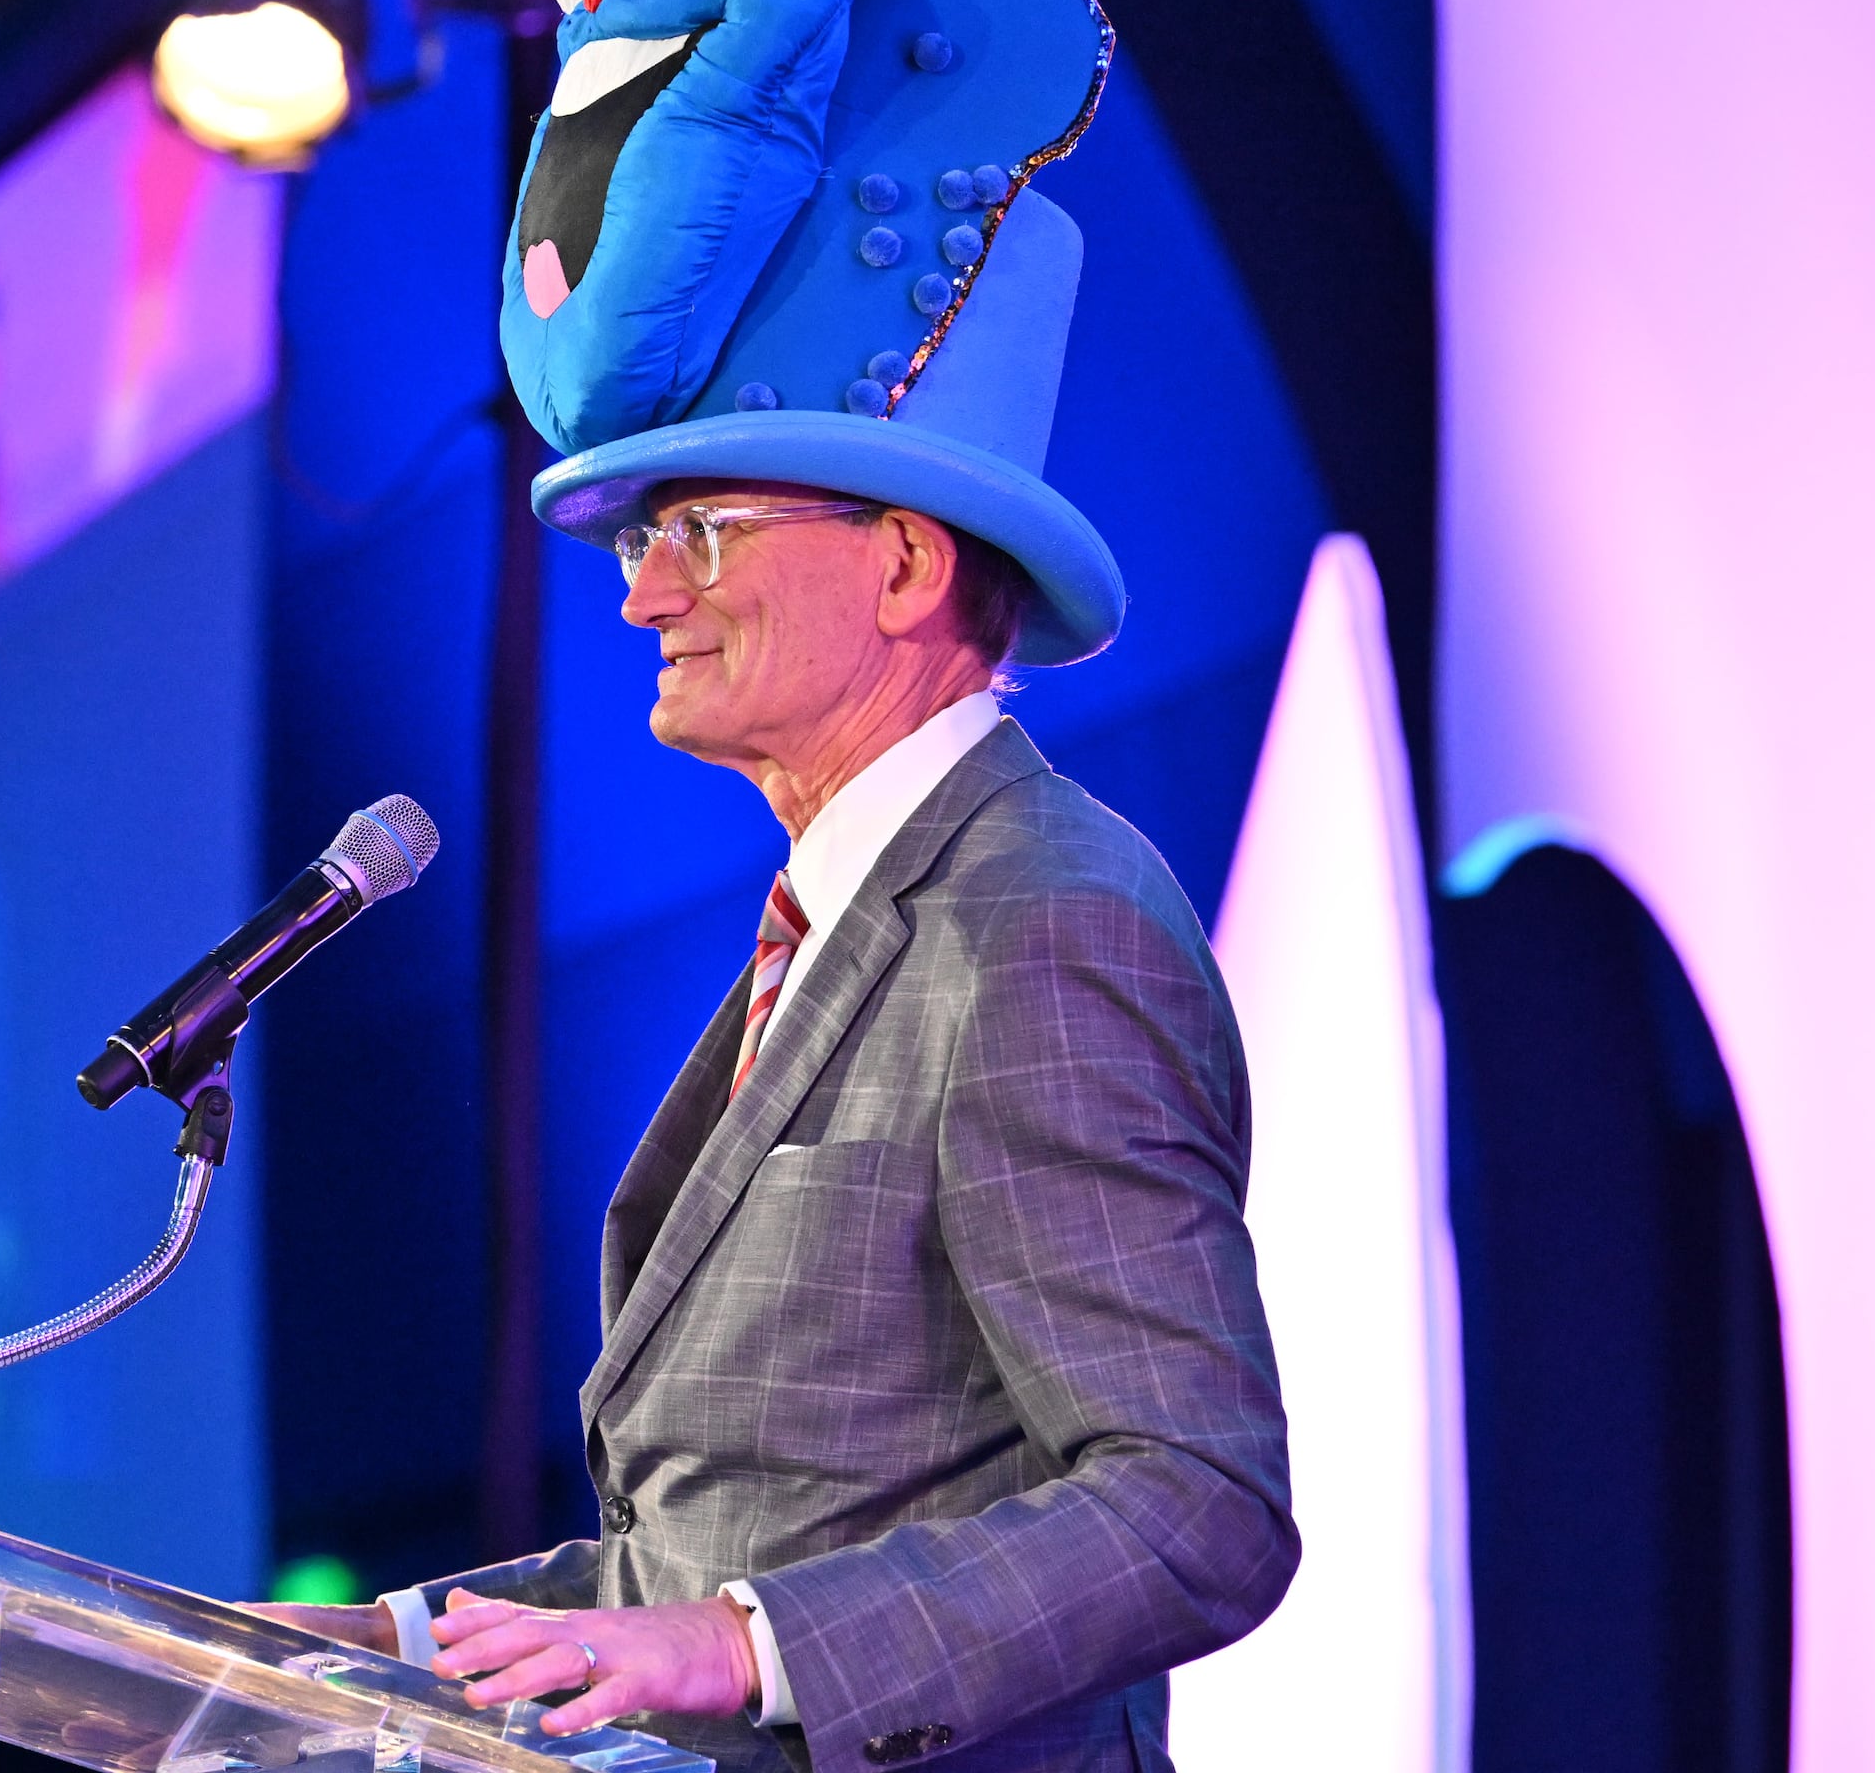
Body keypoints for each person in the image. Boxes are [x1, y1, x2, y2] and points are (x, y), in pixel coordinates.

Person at [267, 476, 1294, 1773]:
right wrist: (396, 1646)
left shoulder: (1041, 918)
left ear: (905, 563)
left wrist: (745, 1644)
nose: (644, 598)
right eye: (645, 542)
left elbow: (1198, 1505)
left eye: (704, 534)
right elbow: (738, 1528)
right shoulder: (848, 915)